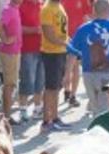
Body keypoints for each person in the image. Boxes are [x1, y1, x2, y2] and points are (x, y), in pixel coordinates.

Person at [67, 0, 109, 115]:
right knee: (105, 111)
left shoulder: (83, 29)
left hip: (88, 74)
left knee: (96, 110)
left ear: (93, 11)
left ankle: (96, 123)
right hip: (108, 74)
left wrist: (67, 73)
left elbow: (72, 51)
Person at [39, 0, 70, 131]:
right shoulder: (47, 9)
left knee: (57, 87)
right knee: (50, 87)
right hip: (51, 52)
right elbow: (49, 34)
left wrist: (69, 42)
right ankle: (46, 121)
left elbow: (62, 31)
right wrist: (65, 44)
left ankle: (55, 117)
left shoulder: (59, 6)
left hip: (60, 52)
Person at [17, 0, 45, 122]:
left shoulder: (41, 5)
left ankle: (38, 108)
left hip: (42, 48)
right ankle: (23, 109)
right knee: (27, 79)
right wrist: (35, 30)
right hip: (27, 49)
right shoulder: (21, 6)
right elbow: (17, 28)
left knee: (40, 79)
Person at [0, 0, 23, 124]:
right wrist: (5, 39)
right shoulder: (8, 9)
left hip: (14, 51)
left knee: (11, 84)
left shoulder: (14, 8)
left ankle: (6, 116)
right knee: (9, 84)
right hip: (9, 52)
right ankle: (6, 117)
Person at [62, 0, 90, 107]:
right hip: (62, 38)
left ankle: (71, 94)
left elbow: (86, 17)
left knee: (74, 67)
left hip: (77, 38)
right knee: (68, 67)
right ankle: (67, 92)